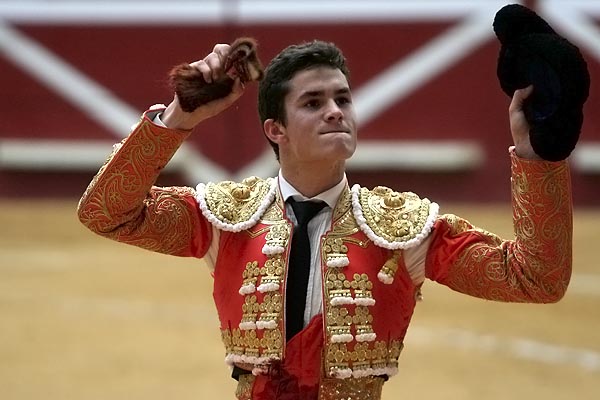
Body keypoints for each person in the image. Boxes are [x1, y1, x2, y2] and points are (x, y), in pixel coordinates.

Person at [77, 40, 572, 400]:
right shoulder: (226, 219)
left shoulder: (403, 228)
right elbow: (104, 212)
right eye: (313, 103)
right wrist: (179, 118)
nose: (336, 112)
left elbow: (535, 277)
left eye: (343, 99)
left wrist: (535, 156)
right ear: (276, 130)